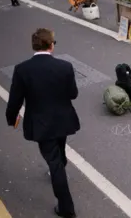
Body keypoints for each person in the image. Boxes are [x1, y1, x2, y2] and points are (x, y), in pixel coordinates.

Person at [5, 28, 79, 217]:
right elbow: (73, 94)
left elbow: (15, 100)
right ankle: (59, 171)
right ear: (51, 45)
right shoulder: (65, 66)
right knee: (59, 152)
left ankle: (66, 208)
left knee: (54, 163)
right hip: (63, 120)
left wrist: (11, 118)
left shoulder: (22, 69)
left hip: (40, 123)